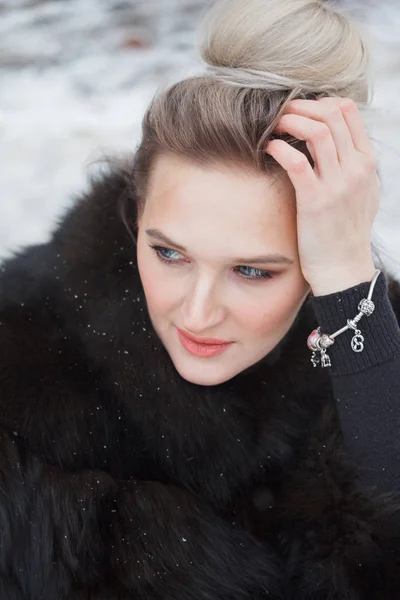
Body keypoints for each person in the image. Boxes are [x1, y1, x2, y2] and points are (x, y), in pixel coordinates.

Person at [0, 0, 400, 597]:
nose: (197, 313)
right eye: (169, 254)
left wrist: (351, 291)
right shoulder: (18, 375)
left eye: (253, 271)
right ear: (136, 217)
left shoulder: (372, 358)